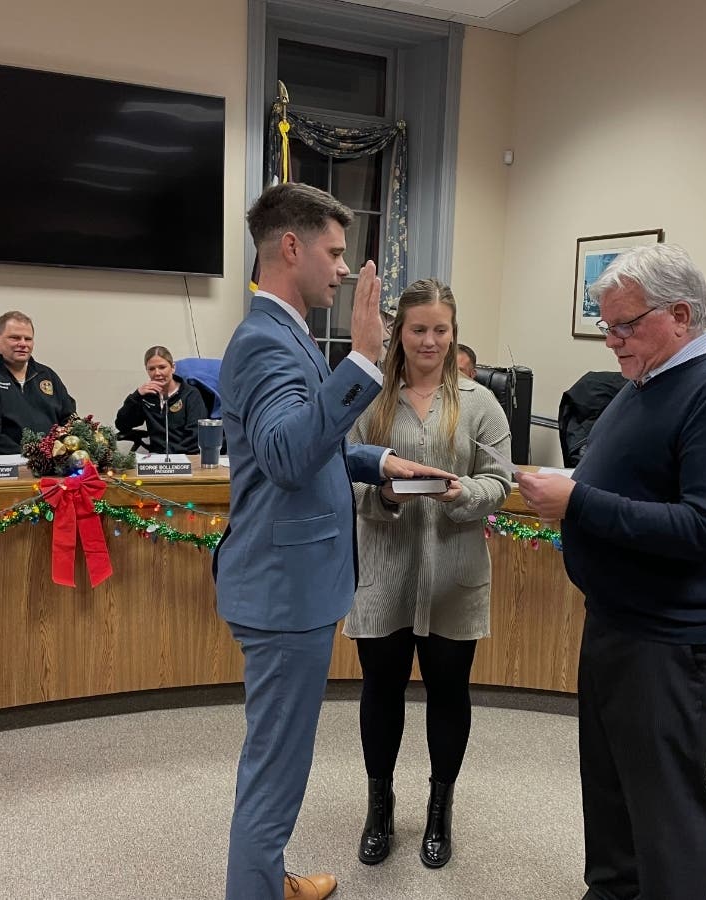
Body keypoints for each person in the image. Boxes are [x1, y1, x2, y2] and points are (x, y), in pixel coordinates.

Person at [212, 182, 456, 900]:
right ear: (291, 247)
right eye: (335, 251)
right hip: (284, 592)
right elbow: (288, 456)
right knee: (275, 769)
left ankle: (270, 877)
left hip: (294, 584)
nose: (344, 268)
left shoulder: (280, 332)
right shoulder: (264, 342)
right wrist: (362, 360)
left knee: (279, 760)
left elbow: (300, 445)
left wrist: (377, 461)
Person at [516, 243, 706, 900]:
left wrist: (579, 501)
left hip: (668, 638)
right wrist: (573, 484)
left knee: (665, 820)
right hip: (616, 624)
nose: (612, 340)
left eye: (624, 324)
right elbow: (633, 482)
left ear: (679, 314)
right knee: (609, 803)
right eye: (606, 325)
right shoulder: (645, 381)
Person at [345, 280, 511, 870]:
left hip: (454, 577)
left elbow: (501, 481)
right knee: (380, 693)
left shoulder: (480, 403)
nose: (430, 341)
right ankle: (379, 807)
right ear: (399, 333)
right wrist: (385, 497)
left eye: (441, 330)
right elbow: (344, 478)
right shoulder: (367, 401)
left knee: (448, 694)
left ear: (453, 332)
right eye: (418, 329)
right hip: (384, 575)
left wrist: (464, 493)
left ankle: (440, 811)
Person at [0, 311, 76, 453]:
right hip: (5, 464)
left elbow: (69, 417)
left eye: (28, 339)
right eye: (15, 338)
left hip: (52, 461)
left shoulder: (46, 375)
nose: (22, 344)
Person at [114, 346, 208, 454]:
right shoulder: (146, 396)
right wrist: (136, 396)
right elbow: (122, 425)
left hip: (186, 457)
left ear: (173, 367)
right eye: (151, 369)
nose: (157, 373)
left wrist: (172, 458)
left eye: (162, 367)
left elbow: (196, 435)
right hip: (156, 458)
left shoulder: (190, 394)